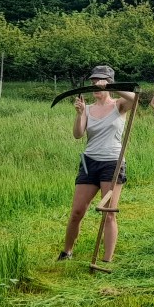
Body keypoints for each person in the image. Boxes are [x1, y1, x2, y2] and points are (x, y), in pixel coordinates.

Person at [58, 65, 135, 262]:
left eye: (100, 81)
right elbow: (78, 135)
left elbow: (136, 100)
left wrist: (111, 87)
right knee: (76, 212)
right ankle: (67, 252)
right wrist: (79, 113)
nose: (95, 85)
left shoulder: (119, 104)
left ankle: (107, 260)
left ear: (109, 82)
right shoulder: (88, 108)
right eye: (93, 82)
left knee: (108, 213)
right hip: (89, 162)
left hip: (112, 163)